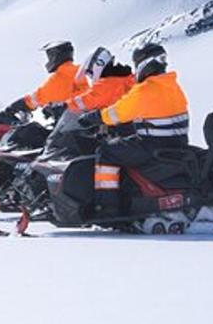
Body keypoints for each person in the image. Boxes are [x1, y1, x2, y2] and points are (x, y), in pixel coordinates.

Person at [77, 42, 190, 218]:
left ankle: (107, 206)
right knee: (122, 144)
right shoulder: (172, 86)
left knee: (106, 151)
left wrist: (95, 117)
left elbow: (117, 112)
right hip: (177, 144)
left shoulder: (146, 89)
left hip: (152, 146)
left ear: (144, 64)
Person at [0, 40, 88, 120]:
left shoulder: (61, 76)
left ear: (55, 56)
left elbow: (39, 96)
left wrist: (14, 107)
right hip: (88, 119)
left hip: (72, 124)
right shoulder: (81, 70)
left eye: (49, 56)